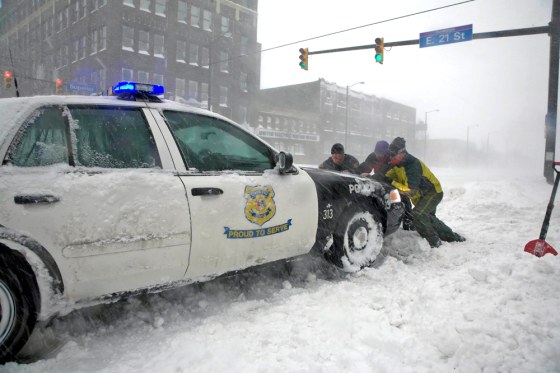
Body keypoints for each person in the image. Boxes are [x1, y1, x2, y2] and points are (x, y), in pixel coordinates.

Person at [385, 137, 465, 247]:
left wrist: (392, 182)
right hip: (421, 196)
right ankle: (453, 238)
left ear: (401, 153)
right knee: (428, 219)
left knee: (418, 215)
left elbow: (410, 191)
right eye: (389, 155)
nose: (390, 158)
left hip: (433, 193)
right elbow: (386, 178)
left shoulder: (413, 165)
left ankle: (434, 242)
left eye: (392, 155)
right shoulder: (397, 166)